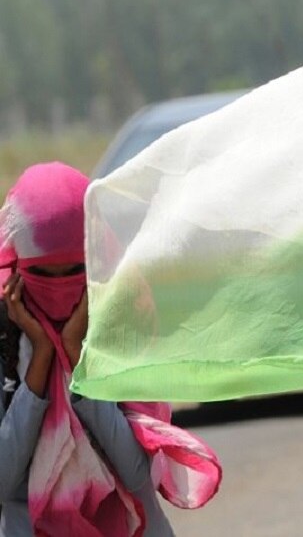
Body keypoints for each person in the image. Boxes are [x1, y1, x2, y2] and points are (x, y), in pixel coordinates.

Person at [0, 162, 221, 537]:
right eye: (43, 274)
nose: (59, 289)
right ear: (19, 269)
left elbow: (137, 475)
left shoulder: (127, 319)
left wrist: (75, 357)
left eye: (73, 271)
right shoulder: (6, 337)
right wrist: (40, 361)